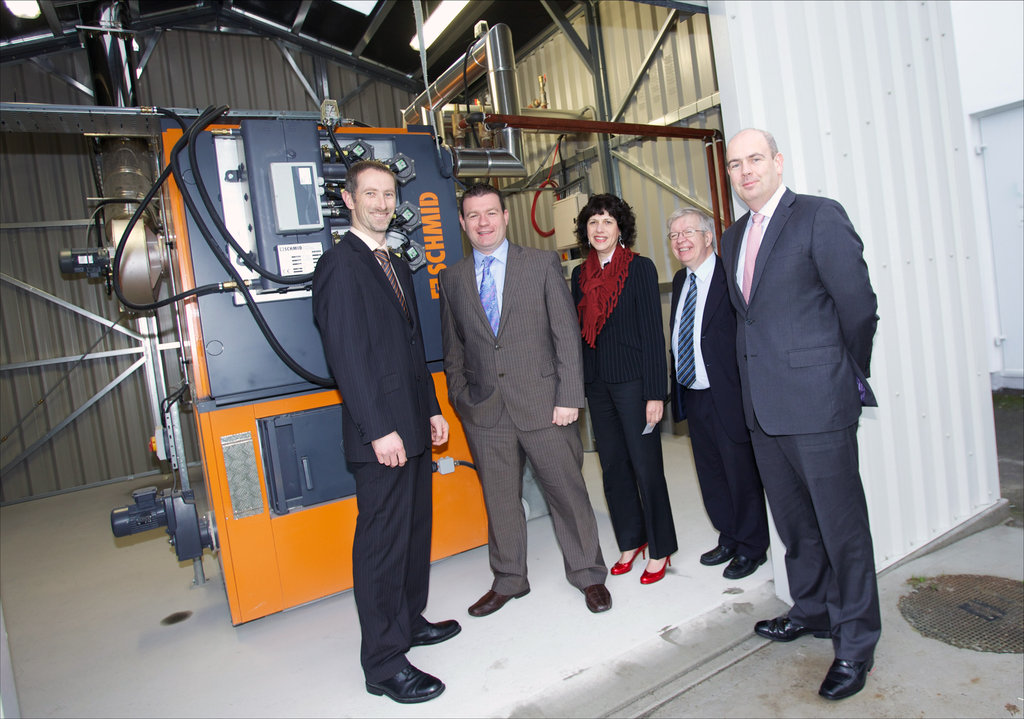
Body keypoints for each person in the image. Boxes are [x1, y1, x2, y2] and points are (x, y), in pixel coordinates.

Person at [720, 129, 880, 701]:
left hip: (818, 404)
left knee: (842, 529)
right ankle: (811, 609)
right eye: (735, 164)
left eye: (755, 159)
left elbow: (858, 306)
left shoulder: (818, 216)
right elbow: (748, 320)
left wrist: (839, 370)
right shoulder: (732, 237)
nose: (745, 171)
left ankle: (856, 642)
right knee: (795, 527)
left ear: (778, 162)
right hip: (763, 411)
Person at [312, 159, 458, 705]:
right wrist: (378, 431)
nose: (381, 203)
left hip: (413, 422)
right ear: (349, 200)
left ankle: (409, 620)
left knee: (414, 531)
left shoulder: (393, 259)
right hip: (382, 436)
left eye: (389, 194)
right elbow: (347, 357)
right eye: (370, 194)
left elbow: (411, 347)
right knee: (381, 545)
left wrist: (432, 408)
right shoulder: (340, 265)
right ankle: (383, 663)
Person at [438, 182, 611, 617]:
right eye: (473, 216)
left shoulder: (540, 263)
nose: (483, 223)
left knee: (567, 493)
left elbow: (565, 335)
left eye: (490, 213)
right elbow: (453, 349)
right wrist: (461, 399)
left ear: (505, 216)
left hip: (546, 405)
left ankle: (588, 574)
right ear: (462, 223)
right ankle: (509, 578)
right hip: (485, 412)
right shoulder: (452, 278)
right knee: (500, 501)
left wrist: (568, 396)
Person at [569, 194, 677, 584]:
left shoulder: (639, 269)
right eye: (593, 222)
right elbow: (578, 335)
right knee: (612, 466)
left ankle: (661, 548)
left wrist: (655, 393)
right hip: (598, 385)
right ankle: (631, 540)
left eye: (607, 222)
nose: (599, 229)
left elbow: (652, 334)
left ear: (620, 229)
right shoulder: (579, 275)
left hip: (634, 384)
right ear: (585, 230)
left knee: (646, 466)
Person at [668, 207, 770, 580]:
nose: (680, 240)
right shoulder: (681, 280)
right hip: (694, 392)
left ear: (708, 237)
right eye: (674, 235)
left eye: (688, 232)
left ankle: (752, 547)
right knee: (711, 472)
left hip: (728, 392)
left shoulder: (732, 276)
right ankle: (729, 537)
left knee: (739, 473)